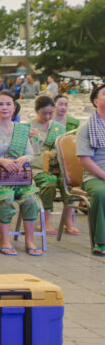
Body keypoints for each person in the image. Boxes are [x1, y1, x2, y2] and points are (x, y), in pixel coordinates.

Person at [0, 92, 42, 256]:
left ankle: (29, 240)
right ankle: (4, 240)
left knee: (31, 199)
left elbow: (30, 155)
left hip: (18, 177)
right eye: (0, 104)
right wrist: (1, 161)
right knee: (6, 197)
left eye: (8, 104)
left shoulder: (21, 130)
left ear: (14, 107)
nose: (4, 107)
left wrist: (23, 159)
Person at [28, 95, 68, 233]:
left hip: (55, 167)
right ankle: (45, 220)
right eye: (44, 113)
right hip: (36, 168)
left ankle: (68, 219)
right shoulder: (27, 127)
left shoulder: (59, 128)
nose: (48, 117)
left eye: (51, 113)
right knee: (49, 180)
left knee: (67, 180)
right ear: (36, 111)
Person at [76, 83, 105, 255]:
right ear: (96, 101)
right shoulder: (87, 127)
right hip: (95, 176)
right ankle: (101, 241)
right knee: (102, 193)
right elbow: (84, 160)